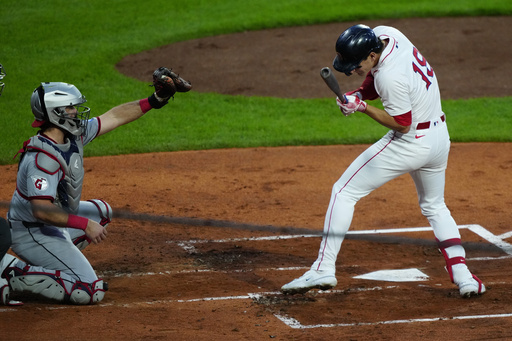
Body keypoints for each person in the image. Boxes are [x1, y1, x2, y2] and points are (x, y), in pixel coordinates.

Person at [281, 24, 485, 298]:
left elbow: (401, 124)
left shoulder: (390, 77)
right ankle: (465, 277)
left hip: (411, 142)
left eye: (356, 65)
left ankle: (323, 268)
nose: (353, 70)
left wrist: (362, 107)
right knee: (435, 205)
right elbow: (373, 79)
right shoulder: (389, 35)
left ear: (372, 55)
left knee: (344, 191)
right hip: (439, 139)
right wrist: (358, 93)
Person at [0, 67, 190, 305]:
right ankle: (14, 272)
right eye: (70, 107)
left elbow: (114, 116)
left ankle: (57, 257)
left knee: (101, 212)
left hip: (51, 223)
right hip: (32, 231)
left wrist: (155, 100)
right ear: (55, 113)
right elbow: (42, 210)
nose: (76, 111)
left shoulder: (73, 134)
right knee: (88, 290)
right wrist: (83, 224)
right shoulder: (42, 158)